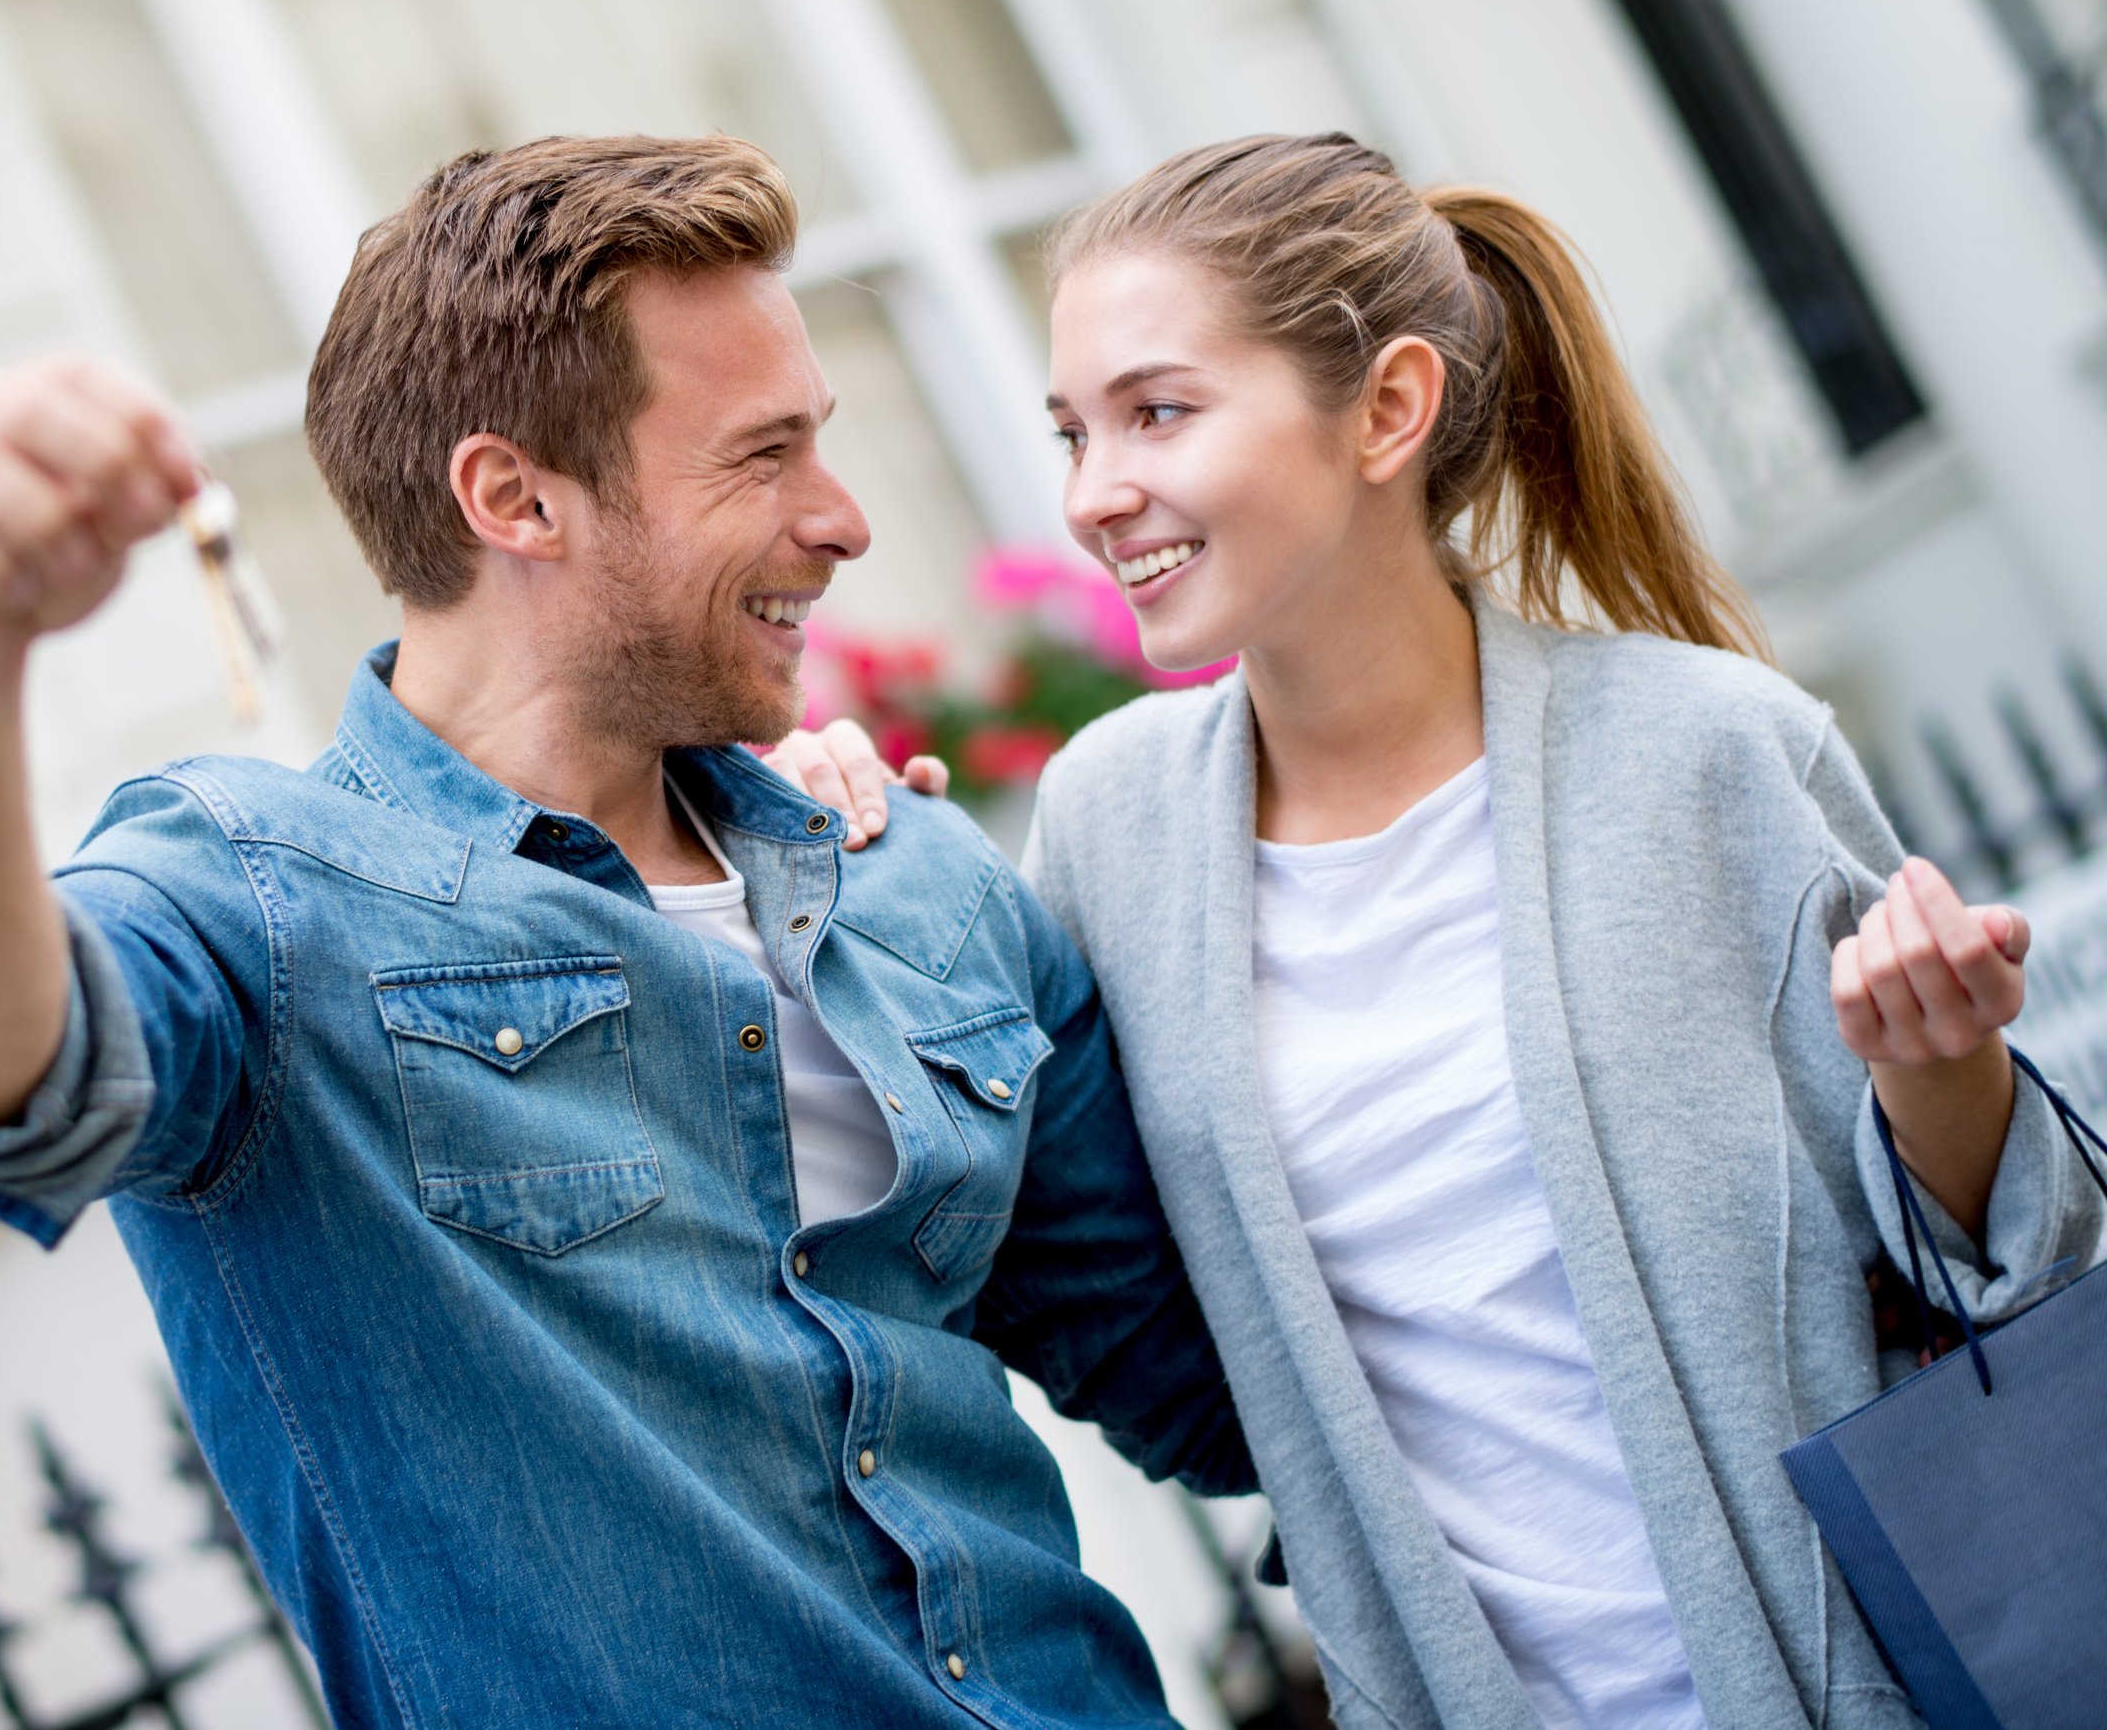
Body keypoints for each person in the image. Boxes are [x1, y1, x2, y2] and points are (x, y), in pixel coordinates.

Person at [0, 134, 1254, 1730]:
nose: (842, 519)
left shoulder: (912, 875)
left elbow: (1238, 1384)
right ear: (514, 496)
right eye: (761, 455)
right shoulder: (263, 904)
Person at [768, 133, 2100, 1729]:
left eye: (1159, 411)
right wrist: (875, 869)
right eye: (1074, 431)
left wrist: (1940, 1068)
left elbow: (2007, 1274)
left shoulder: (1712, 754)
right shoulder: (1110, 827)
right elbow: (1081, 1259)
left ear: (1388, 409)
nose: (1095, 491)